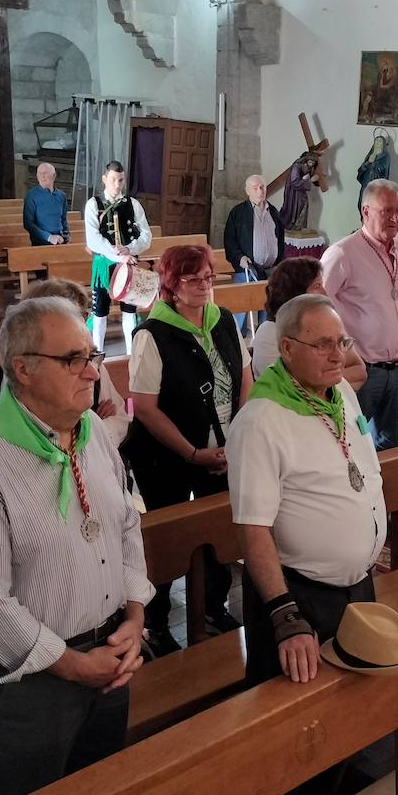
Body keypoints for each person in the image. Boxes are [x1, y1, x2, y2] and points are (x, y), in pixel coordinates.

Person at [0, 296, 152, 795]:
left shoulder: (93, 434)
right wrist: (77, 667)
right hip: (33, 680)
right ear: (24, 369)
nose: (92, 371)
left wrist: (135, 614)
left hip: (111, 656)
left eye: (93, 356)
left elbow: (126, 525)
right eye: (74, 359)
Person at [228, 293, 386, 686]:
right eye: (322, 345)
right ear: (286, 348)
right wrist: (286, 614)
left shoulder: (341, 393)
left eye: (342, 342)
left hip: (356, 587)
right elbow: (253, 529)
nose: (338, 356)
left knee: (356, 698)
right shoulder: (261, 421)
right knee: (295, 725)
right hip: (297, 594)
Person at [124, 244, 251, 655]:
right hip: (166, 456)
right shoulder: (152, 333)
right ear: (171, 285)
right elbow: (144, 407)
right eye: (190, 279)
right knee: (167, 539)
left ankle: (213, 607)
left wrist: (237, 437)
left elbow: (245, 376)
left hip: (223, 450)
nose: (202, 286)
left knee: (219, 530)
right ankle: (156, 624)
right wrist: (193, 453)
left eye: (207, 277)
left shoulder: (224, 321)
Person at [321, 180, 398, 451]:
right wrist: (342, 351)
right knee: (348, 444)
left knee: (390, 445)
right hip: (363, 369)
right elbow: (317, 305)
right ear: (366, 212)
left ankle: (382, 495)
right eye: (386, 211)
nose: (394, 218)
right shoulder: (343, 253)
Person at [0, 278, 131, 446]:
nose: (80, 323)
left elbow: (120, 418)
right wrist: (92, 426)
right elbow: (28, 433)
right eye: (70, 315)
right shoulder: (18, 375)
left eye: (82, 315)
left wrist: (89, 430)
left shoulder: (91, 362)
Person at [249, 257, 366, 389]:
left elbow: (359, 371)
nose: (325, 292)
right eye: (317, 286)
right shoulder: (269, 333)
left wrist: (321, 380)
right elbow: (287, 388)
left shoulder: (327, 326)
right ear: (295, 292)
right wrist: (332, 379)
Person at [85, 161, 151, 353]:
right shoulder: (93, 204)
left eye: (120, 180)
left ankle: (131, 356)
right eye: (113, 180)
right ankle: (98, 355)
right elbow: (93, 239)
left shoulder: (133, 204)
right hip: (103, 267)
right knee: (100, 313)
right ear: (105, 179)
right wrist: (118, 255)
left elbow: (146, 236)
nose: (117, 184)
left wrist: (129, 249)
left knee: (129, 312)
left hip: (128, 265)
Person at [223, 173, 285, 330]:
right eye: (255, 188)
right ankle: (238, 339)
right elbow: (229, 242)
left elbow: (280, 239)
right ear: (247, 191)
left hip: (270, 270)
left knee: (269, 309)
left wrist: (280, 262)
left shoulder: (273, 212)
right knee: (241, 310)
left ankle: (264, 336)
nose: (260, 191)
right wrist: (239, 258)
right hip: (246, 269)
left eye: (262, 187)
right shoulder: (237, 213)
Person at [23, 162, 71, 245]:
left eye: (45, 173)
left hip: (60, 241)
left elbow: (63, 219)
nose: (42, 176)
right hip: (41, 242)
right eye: (39, 173)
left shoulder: (61, 195)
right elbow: (28, 224)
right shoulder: (31, 195)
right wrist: (49, 237)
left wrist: (67, 234)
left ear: (53, 176)